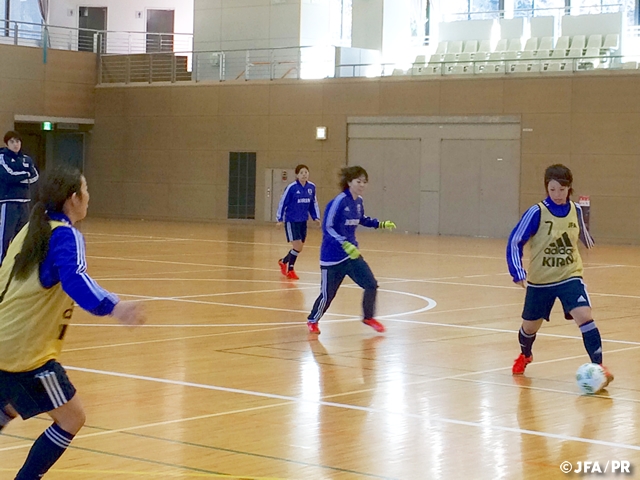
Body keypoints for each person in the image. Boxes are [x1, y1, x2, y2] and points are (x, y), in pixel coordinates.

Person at [0, 166, 145, 479]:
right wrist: (115, 307)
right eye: (86, 189)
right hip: (25, 355)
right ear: (73, 199)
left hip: (4, 342)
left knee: (11, 403)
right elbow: (75, 279)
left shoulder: (29, 231)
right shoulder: (64, 235)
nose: (89, 197)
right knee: (71, 418)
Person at [506, 164, 613, 389]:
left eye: (562, 190)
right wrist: (517, 272)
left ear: (569, 189)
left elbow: (582, 233)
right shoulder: (536, 212)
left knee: (584, 315)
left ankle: (599, 367)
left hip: (570, 275)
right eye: (552, 189)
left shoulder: (575, 210)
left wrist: (588, 242)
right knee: (529, 327)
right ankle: (525, 354)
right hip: (541, 281)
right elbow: (515, 241)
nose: (557, 194)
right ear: (547, 188)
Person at [306, 165, 396, 335]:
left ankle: (368, 317)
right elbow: (328, 227)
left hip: (352, 256)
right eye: (358, 181)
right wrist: (344, 243)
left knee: (371, 284)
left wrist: (379, 224)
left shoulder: (359, 202)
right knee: (327, 295)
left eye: (364, 182)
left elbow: (361, 219)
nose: (362, 185)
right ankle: (313, 320)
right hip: (332, 258)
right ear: (349, 182)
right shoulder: (338, 201)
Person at [0, 130, 39, 263]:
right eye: (12, 141)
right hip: (9, 201)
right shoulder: (2, 157)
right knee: (5, 236)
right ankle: (1, 262)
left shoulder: (27, 159)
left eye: (17, 141)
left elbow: (35, 177)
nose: (15, 144)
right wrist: (25, 174)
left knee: (21, 236)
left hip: (24, 202)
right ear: (7, 143)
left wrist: (20, 176)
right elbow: (8, 176)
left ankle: (17, 264)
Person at [276, 164, 321, 280]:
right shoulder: (291, 188)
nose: (304, 174)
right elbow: (283, 203)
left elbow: (313, 204)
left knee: (299, 247)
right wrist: (279, 219)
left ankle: (283, 261)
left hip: (303, 221)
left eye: (306, 172)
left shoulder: (311, 187)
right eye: (301, 172)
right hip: (292, 221)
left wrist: (316, 217)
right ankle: (290, 269)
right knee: (298, 246)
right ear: (297, 175)